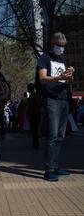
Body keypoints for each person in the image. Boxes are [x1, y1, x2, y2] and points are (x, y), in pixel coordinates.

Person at [37, 32, 75, 182]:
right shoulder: (44, 58)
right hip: (51, 100)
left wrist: (70, 75)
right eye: (59, 46)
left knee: (60, 136)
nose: (61, 49)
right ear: (52, 44)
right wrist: (59, 77)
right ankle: (49, 169)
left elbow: (67, 81)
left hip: (63, 99)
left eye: (63, 46)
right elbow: (42, 79)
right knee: (52, 136)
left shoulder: (61, 60)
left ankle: (55, 165)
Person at [27, 83, 42, 149]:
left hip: (33, 114)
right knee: (36, 129)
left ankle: (35, 144)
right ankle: (36, 143)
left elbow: (29, 107)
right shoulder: (38, 96)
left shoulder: (31, 97)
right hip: (38, 113)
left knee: (34, 130)